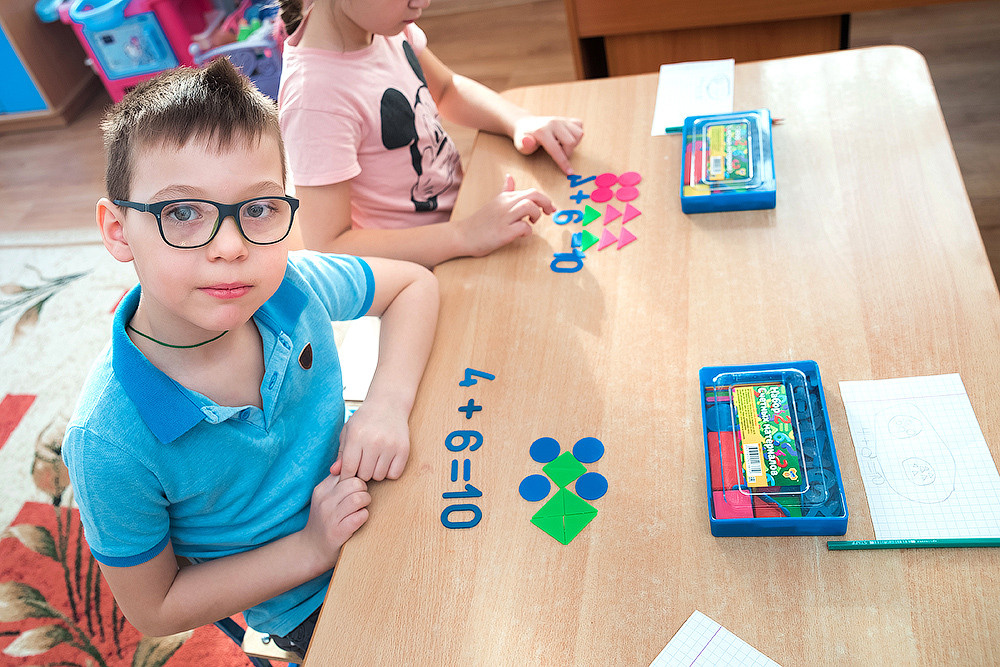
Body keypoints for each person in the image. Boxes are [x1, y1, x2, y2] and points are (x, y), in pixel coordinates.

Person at [61, 58, 438, 659]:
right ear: (117, 230)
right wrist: (311, 548)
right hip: (307, 603)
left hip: (382, 495)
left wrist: (386, 404)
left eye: (258, 209)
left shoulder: (292, 286)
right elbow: (154, 608)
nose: (231, 248)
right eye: (183, 213)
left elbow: (414, 286)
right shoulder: (107, 442)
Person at [277, 0, 585, 267]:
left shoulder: (383, 30)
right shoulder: (314, 99)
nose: (422, 2)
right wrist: (464, 235)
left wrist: (518, 120)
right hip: (422, 265)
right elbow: (330, 246)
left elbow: (447, 90)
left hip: (463, 217)